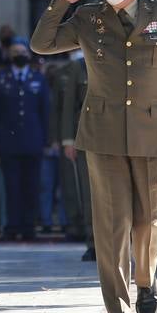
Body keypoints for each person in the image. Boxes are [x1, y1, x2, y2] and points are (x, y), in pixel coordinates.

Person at [31, 0, 157, 313]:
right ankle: (116, 307)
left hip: (153, 133)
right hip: (102, 135)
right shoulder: (87, 17)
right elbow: (42, 43)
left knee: (149, 217)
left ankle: (146, 282)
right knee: (111, 222)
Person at [0, 38, 51, 241]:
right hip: (8, 142)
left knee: (32, 186)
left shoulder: (38, 78)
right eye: (15, 51)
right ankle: (12, 225)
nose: (19, 55)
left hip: (33, 141)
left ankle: (28, 226)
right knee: (11, 186)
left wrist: (47, 139)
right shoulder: (0, 79)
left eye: (22, 51)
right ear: (9, 55)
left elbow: (45, 111)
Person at [52, 47, 95, 258]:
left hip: (116, 138)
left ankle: (120, 243)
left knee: (118, 195)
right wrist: (68, 140)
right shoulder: (80, 67)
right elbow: (69, 105)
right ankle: (93, 242)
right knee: (89, 194)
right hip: (86, 138)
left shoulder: (119, 61)